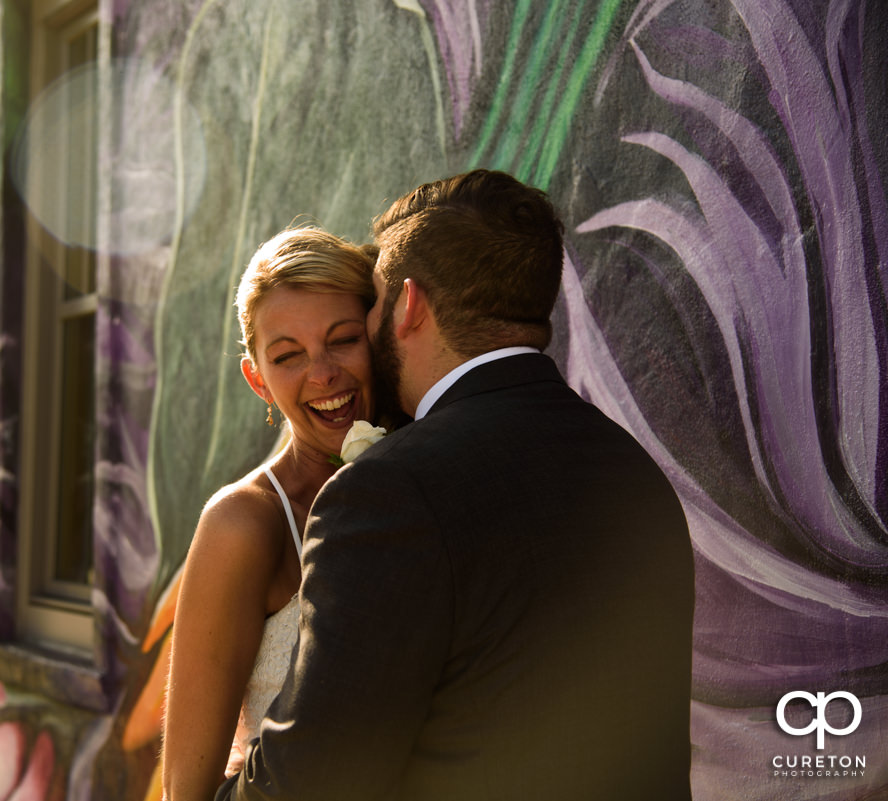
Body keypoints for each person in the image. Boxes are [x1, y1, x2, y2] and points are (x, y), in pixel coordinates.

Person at [216, 170, 695, 800]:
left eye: (376, 301)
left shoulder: (388, 492)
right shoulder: (632, 469)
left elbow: (313, 780)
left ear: (409, 306)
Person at [161, 227, 378, 801]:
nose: (323, 372)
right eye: (287, 356)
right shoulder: (245, 524)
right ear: (256, 378)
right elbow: (187, 788)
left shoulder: (423, 471)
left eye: (344, 339)